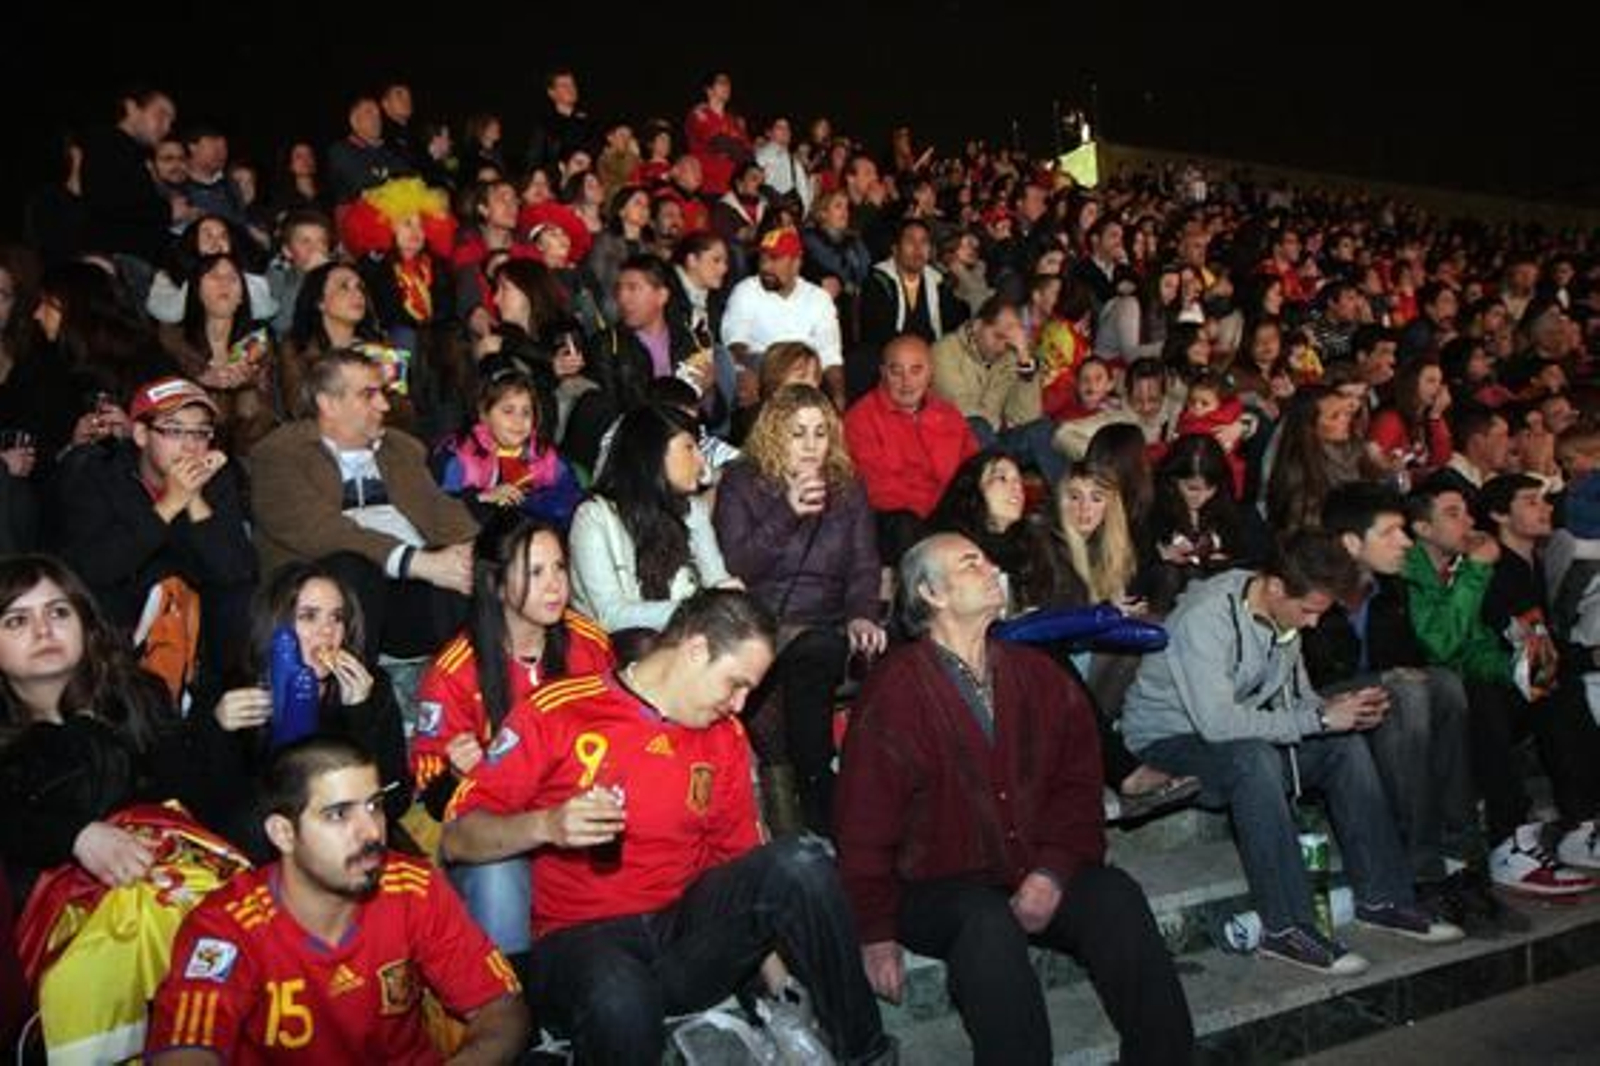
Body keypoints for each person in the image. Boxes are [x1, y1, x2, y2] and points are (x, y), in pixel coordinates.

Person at [440, 590, 893, 1065]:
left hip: (683, 937)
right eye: (735, 684)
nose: (740, 704)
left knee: (800, 860)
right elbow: (456, 837)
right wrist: (546, 825)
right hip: (580, 942)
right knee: (621, 998)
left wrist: (778, 988)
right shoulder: (559, 710)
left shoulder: (723, 737)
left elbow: (745, 867)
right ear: (695, 650)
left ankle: (867, 1053)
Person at [835, 533, 1194, 1065]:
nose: (991, 569)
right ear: (931, 593)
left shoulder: (1036, 673)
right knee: (985, 923)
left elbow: (1077, 785)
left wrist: (1052, 871)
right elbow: (864, 821)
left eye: (987, 561)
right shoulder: (895, 690)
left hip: (1026, 865)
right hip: (935, 887)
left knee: (1114, 898)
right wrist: (875, 931)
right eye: (970, 563)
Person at [1121, 531, 1465, 975]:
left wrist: (1340, 711)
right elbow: (1218, 725)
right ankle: (1285, 927)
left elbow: (1298, 701)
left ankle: (1384, 899)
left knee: (1343, 746)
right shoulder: (1206, 617)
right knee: (1254, 759)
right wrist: (1320, 719)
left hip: (1229, 739)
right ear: (1276, 586)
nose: (1313, 623)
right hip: (1166, 744)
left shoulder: (1282, 615)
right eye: (1308, 611)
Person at [146, 735, 529, 1063]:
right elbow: (184, 1051)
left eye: (374, 806)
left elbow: (501, 1007)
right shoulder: (227, 927)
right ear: (283, 834)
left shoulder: (412, 887)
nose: (370, 832)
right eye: (338, 814)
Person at [412, 515, 614, 959]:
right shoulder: (453, 673)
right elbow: (433, 805)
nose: (555, 585)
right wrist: (452, 775)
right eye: (535, 572)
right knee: (497, 870)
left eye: (559, 568)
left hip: (576, 817)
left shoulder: (590, 644)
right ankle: (511, 987)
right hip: (502, 836)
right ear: (496, 584)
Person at [1304, 483, 1495, 927]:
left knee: (1444, 684)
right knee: (1408, 691)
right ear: (1351, 543)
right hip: (1321, 705)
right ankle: (1421, 869)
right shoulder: (1310, 588)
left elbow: (1410, 663)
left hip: (1384, 706)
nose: (1406, 542)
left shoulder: (1390, 590)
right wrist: (1387, 680)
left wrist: (1392, 678)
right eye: (1390, 533)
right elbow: (1312, 680)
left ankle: (1460, 855)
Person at [713, 384, 884, 831]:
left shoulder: (847, 486)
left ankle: (819, 812)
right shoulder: (742, 482)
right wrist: (787, 511)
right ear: (774, 434)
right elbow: (737, 564)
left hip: (823, 623)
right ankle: (792, 822)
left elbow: (864, 565)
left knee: (813, 661)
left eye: (820, 433)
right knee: (763, 704)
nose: (811, 445)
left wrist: (862, 614)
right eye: (798, 433)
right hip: (758, 621)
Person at [251, 349, 477, 660]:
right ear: (328, 403)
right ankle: (351, 685)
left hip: (414, 589)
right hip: (334, 594)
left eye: (382, 393)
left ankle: (474, 679)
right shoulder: (280, 454)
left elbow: (440, 512)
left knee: (482, 551)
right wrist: (416, 562)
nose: (384, 405)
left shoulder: (400, 448)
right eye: (368, 395)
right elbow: (320, 532)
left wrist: (473, 549)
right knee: (351, 566)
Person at [0, 555, 198, 894]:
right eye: (17, 621)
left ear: (85, 623)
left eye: (58, 612)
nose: (43, 630)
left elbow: (190, 795)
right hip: (51, 910)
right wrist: (77, 837)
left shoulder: (137, 694)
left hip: (169, 880)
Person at [54, 376, 255, 692]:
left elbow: (236, 572)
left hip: (195, 622)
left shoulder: (217, 479)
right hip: (121, 620)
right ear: (141, 434)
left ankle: (215, 696)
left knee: (238, 598)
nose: (190, 445)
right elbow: (95, 568)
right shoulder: (99, 474)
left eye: (200, 433)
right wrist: (170, 504)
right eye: (174, 431)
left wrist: (194, 498)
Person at [568, 404, 739, 649]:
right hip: (612, 652)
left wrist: (726, 596)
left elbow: (716, 580)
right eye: (689, 447)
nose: (701, 461)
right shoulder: (594, 517)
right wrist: (699, 607)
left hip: (683, 640)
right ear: (653, 453)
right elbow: (610, 616)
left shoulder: (692, 509)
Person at [844, 334, 979, 563]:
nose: (906, 382)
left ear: (930, 372)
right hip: (896, 519)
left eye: (916, 370)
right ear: (883, 372)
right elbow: (879, 491)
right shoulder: (860, 419)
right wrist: (939, 517)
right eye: (896, 371)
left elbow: (974, 468)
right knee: (904, 524)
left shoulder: (948, 414)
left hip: (949, 513)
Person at [930, 295, 1063, 484]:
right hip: (953, 442)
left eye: (1008, 341)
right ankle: (997, 491)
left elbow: (1025, 417)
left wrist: (1025, 360)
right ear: (977, 326)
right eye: (998, 336)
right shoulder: (944, 351)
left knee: (1044, 428)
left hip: (992, 444)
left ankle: (1065, 496)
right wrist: (999, 439)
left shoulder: (1009, 355)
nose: (1002, 347)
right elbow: (962, 410)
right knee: (977, 425)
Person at [432, 369, 582, 528]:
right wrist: (481, 497)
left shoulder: (544, 455)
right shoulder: (459, 456)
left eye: (526, 412)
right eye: (508, 411)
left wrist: (526, 502)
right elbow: (441, 507)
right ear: (484, 414)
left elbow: (570, 498)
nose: (518, 420)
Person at [721, 226, 846, 408]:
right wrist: (743, 371)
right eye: (762, 259)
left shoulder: (819, 298)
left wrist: (839, 398)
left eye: (774, 259)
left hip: (806, 385)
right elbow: (735, 343)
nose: (765, 267)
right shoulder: (746, 291)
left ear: (796, 263)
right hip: (760, 380)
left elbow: (830, 357)